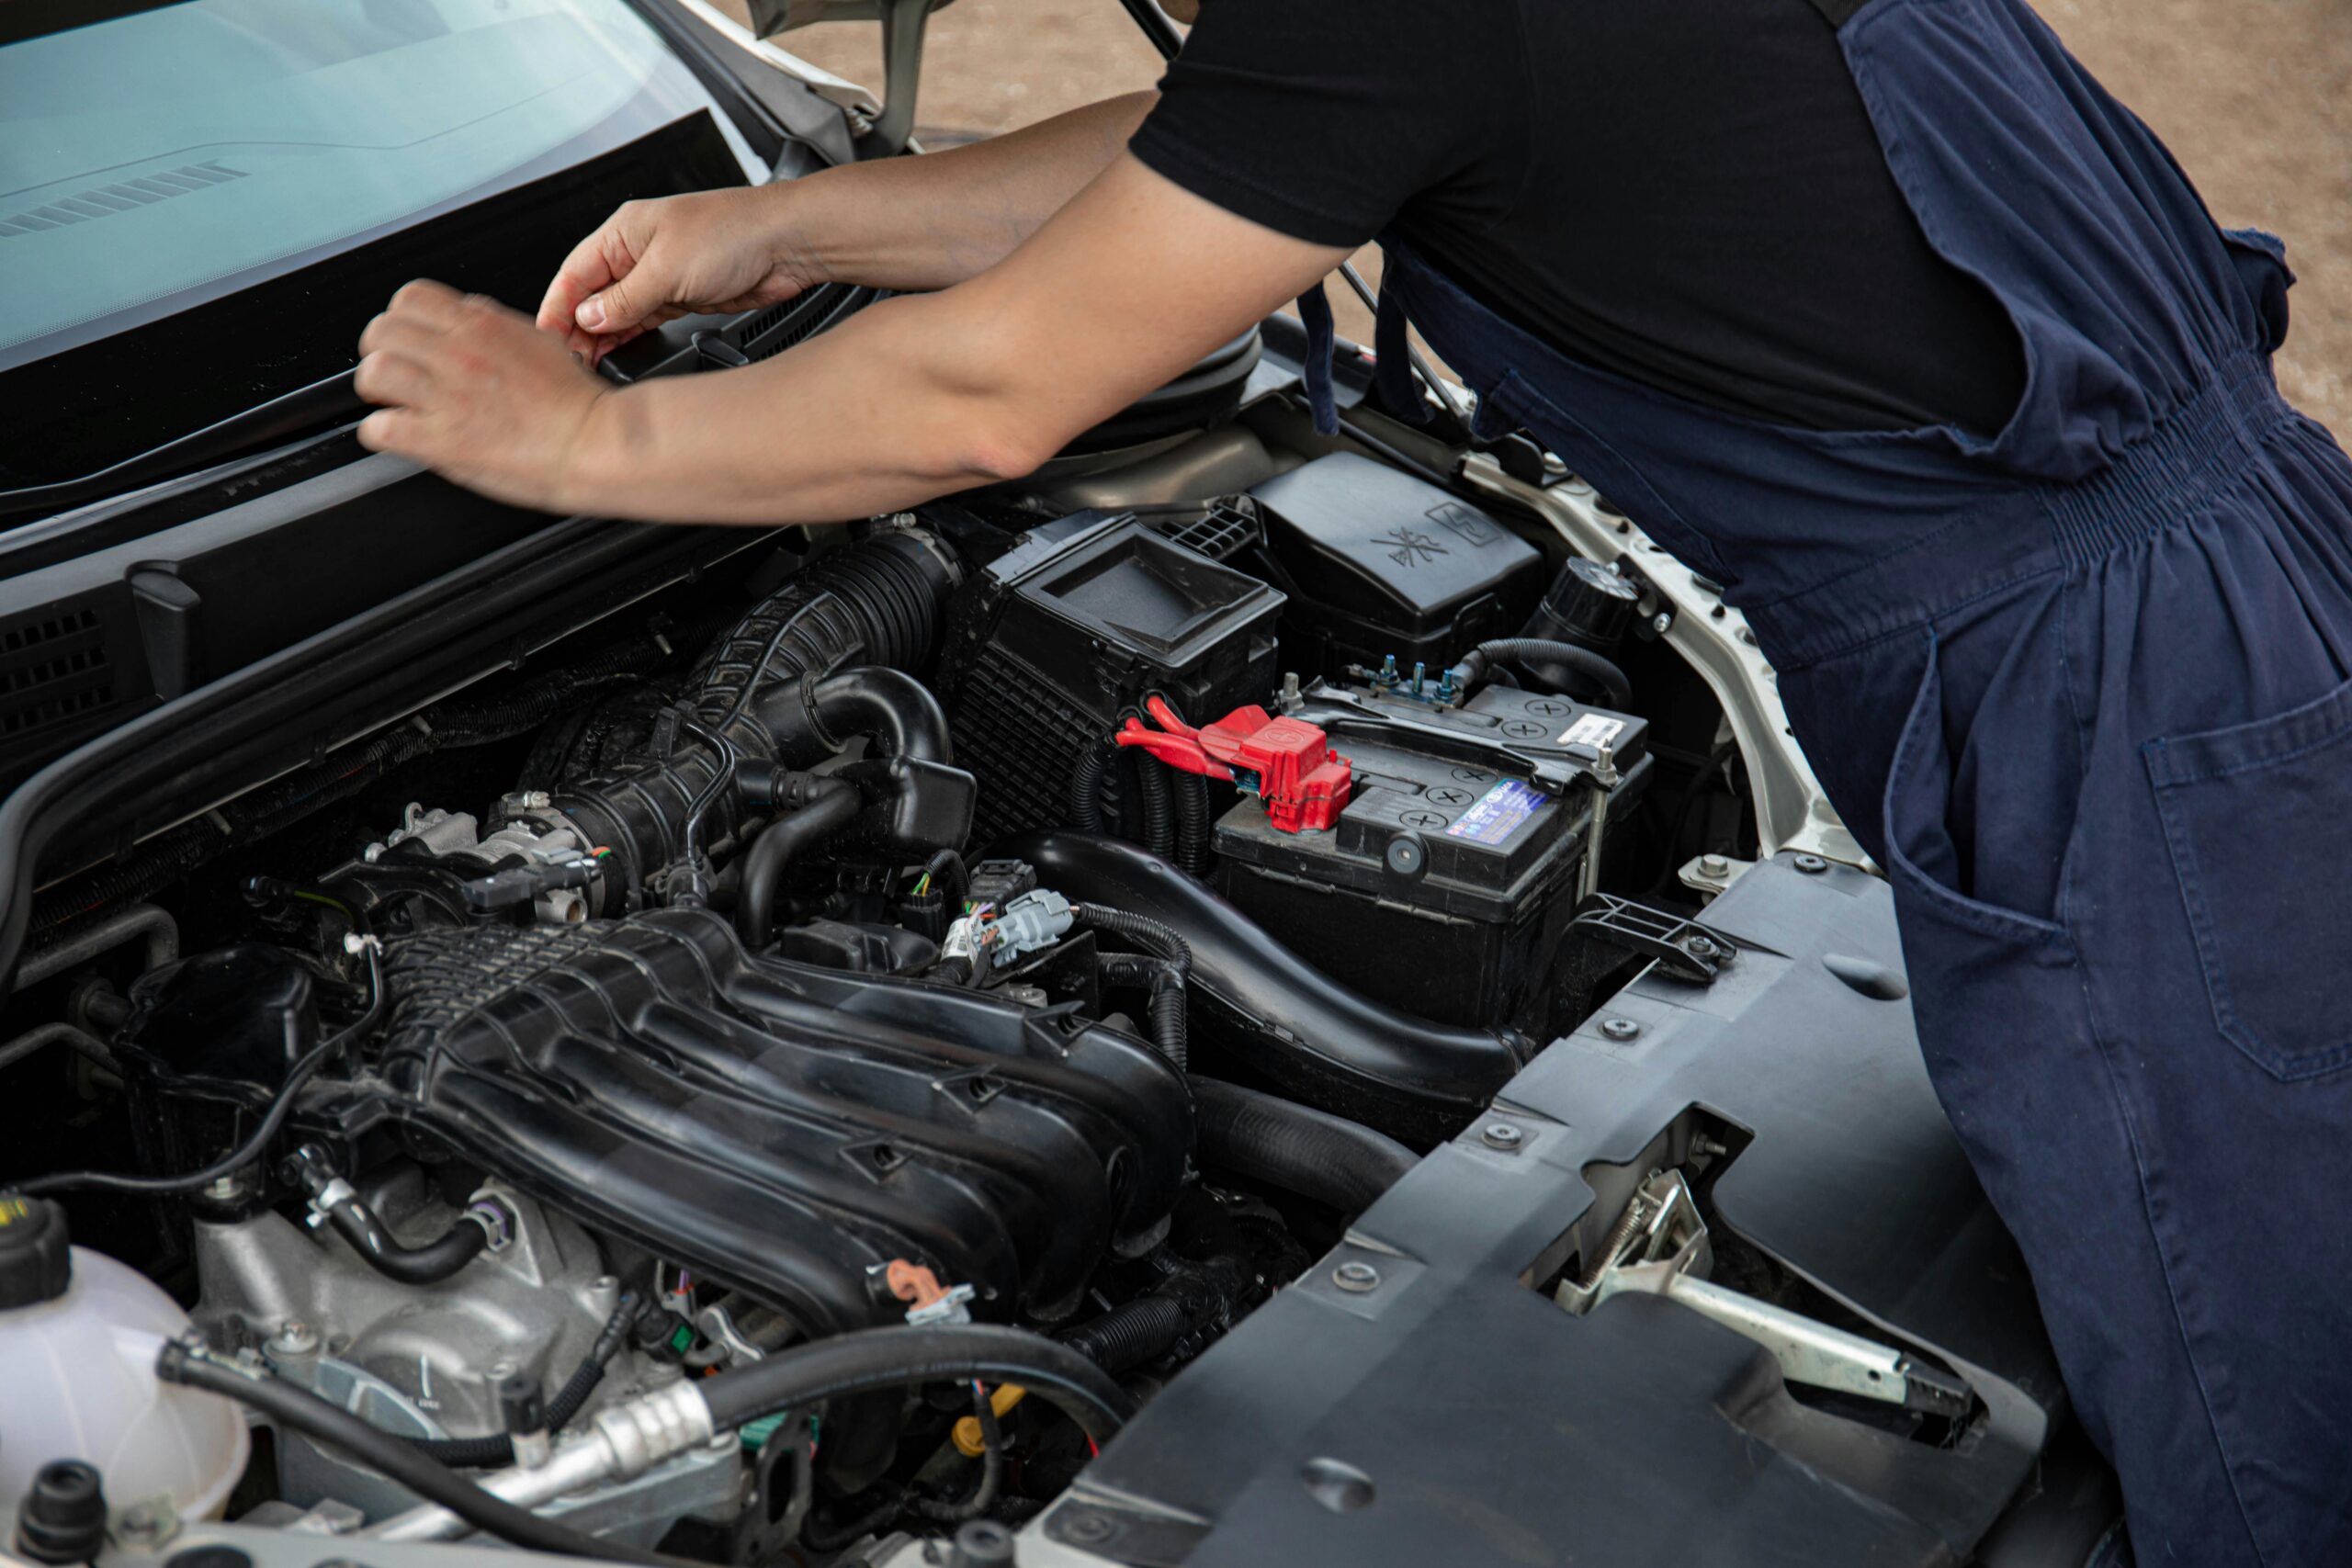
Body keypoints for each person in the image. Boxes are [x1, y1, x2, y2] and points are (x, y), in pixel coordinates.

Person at [353, 0, 2352, 1560]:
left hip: (2117, 711)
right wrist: (776, 226)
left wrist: (581, 450)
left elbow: (992, 386)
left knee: (2257, 1430)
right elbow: (1232, 144)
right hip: (2209, 606)